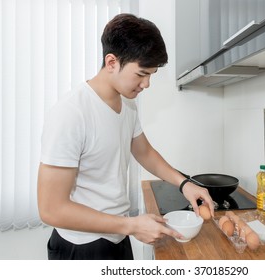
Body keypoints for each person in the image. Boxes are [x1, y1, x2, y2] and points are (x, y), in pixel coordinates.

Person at [37, 13, 214, 260]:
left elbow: (145, 152)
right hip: (82, 246)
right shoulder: (71, 113)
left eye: (151, 75)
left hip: (117, 235)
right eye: (141, 74)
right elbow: (51, 209)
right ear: (111, 62)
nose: (147, 84)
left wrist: (185, 183)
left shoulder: (127, 106)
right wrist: (131, 225)